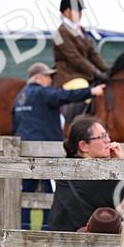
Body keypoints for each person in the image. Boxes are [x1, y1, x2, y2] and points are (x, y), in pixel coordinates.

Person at [41, 115, 124, 247]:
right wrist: (123, 165)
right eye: (101, 137)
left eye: (107, 135)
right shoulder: (103, 178)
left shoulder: (64, 169)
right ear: (83, 146)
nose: (108, 141)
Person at [12, 62, 105, 231]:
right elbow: (64, 96)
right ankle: (48, 230)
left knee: (25, 192)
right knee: (52, 192)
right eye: (48, 76)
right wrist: (90, 91)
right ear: (38, 78)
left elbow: (15, 124)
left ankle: (23, 229)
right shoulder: (42, 92)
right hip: (47, 152)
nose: (51, 79)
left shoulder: (20, 97)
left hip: (25, 152)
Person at [53, 0, 110, 89]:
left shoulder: (81, 30)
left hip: (85, 75)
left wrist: (107, 70)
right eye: (77, 10)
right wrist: (96, 72)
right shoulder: (59, 34)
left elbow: (92, 53)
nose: (80, 14)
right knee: (84, 92)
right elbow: (75, 58)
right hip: (69, 77)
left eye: (81, 11)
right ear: (66, 11)